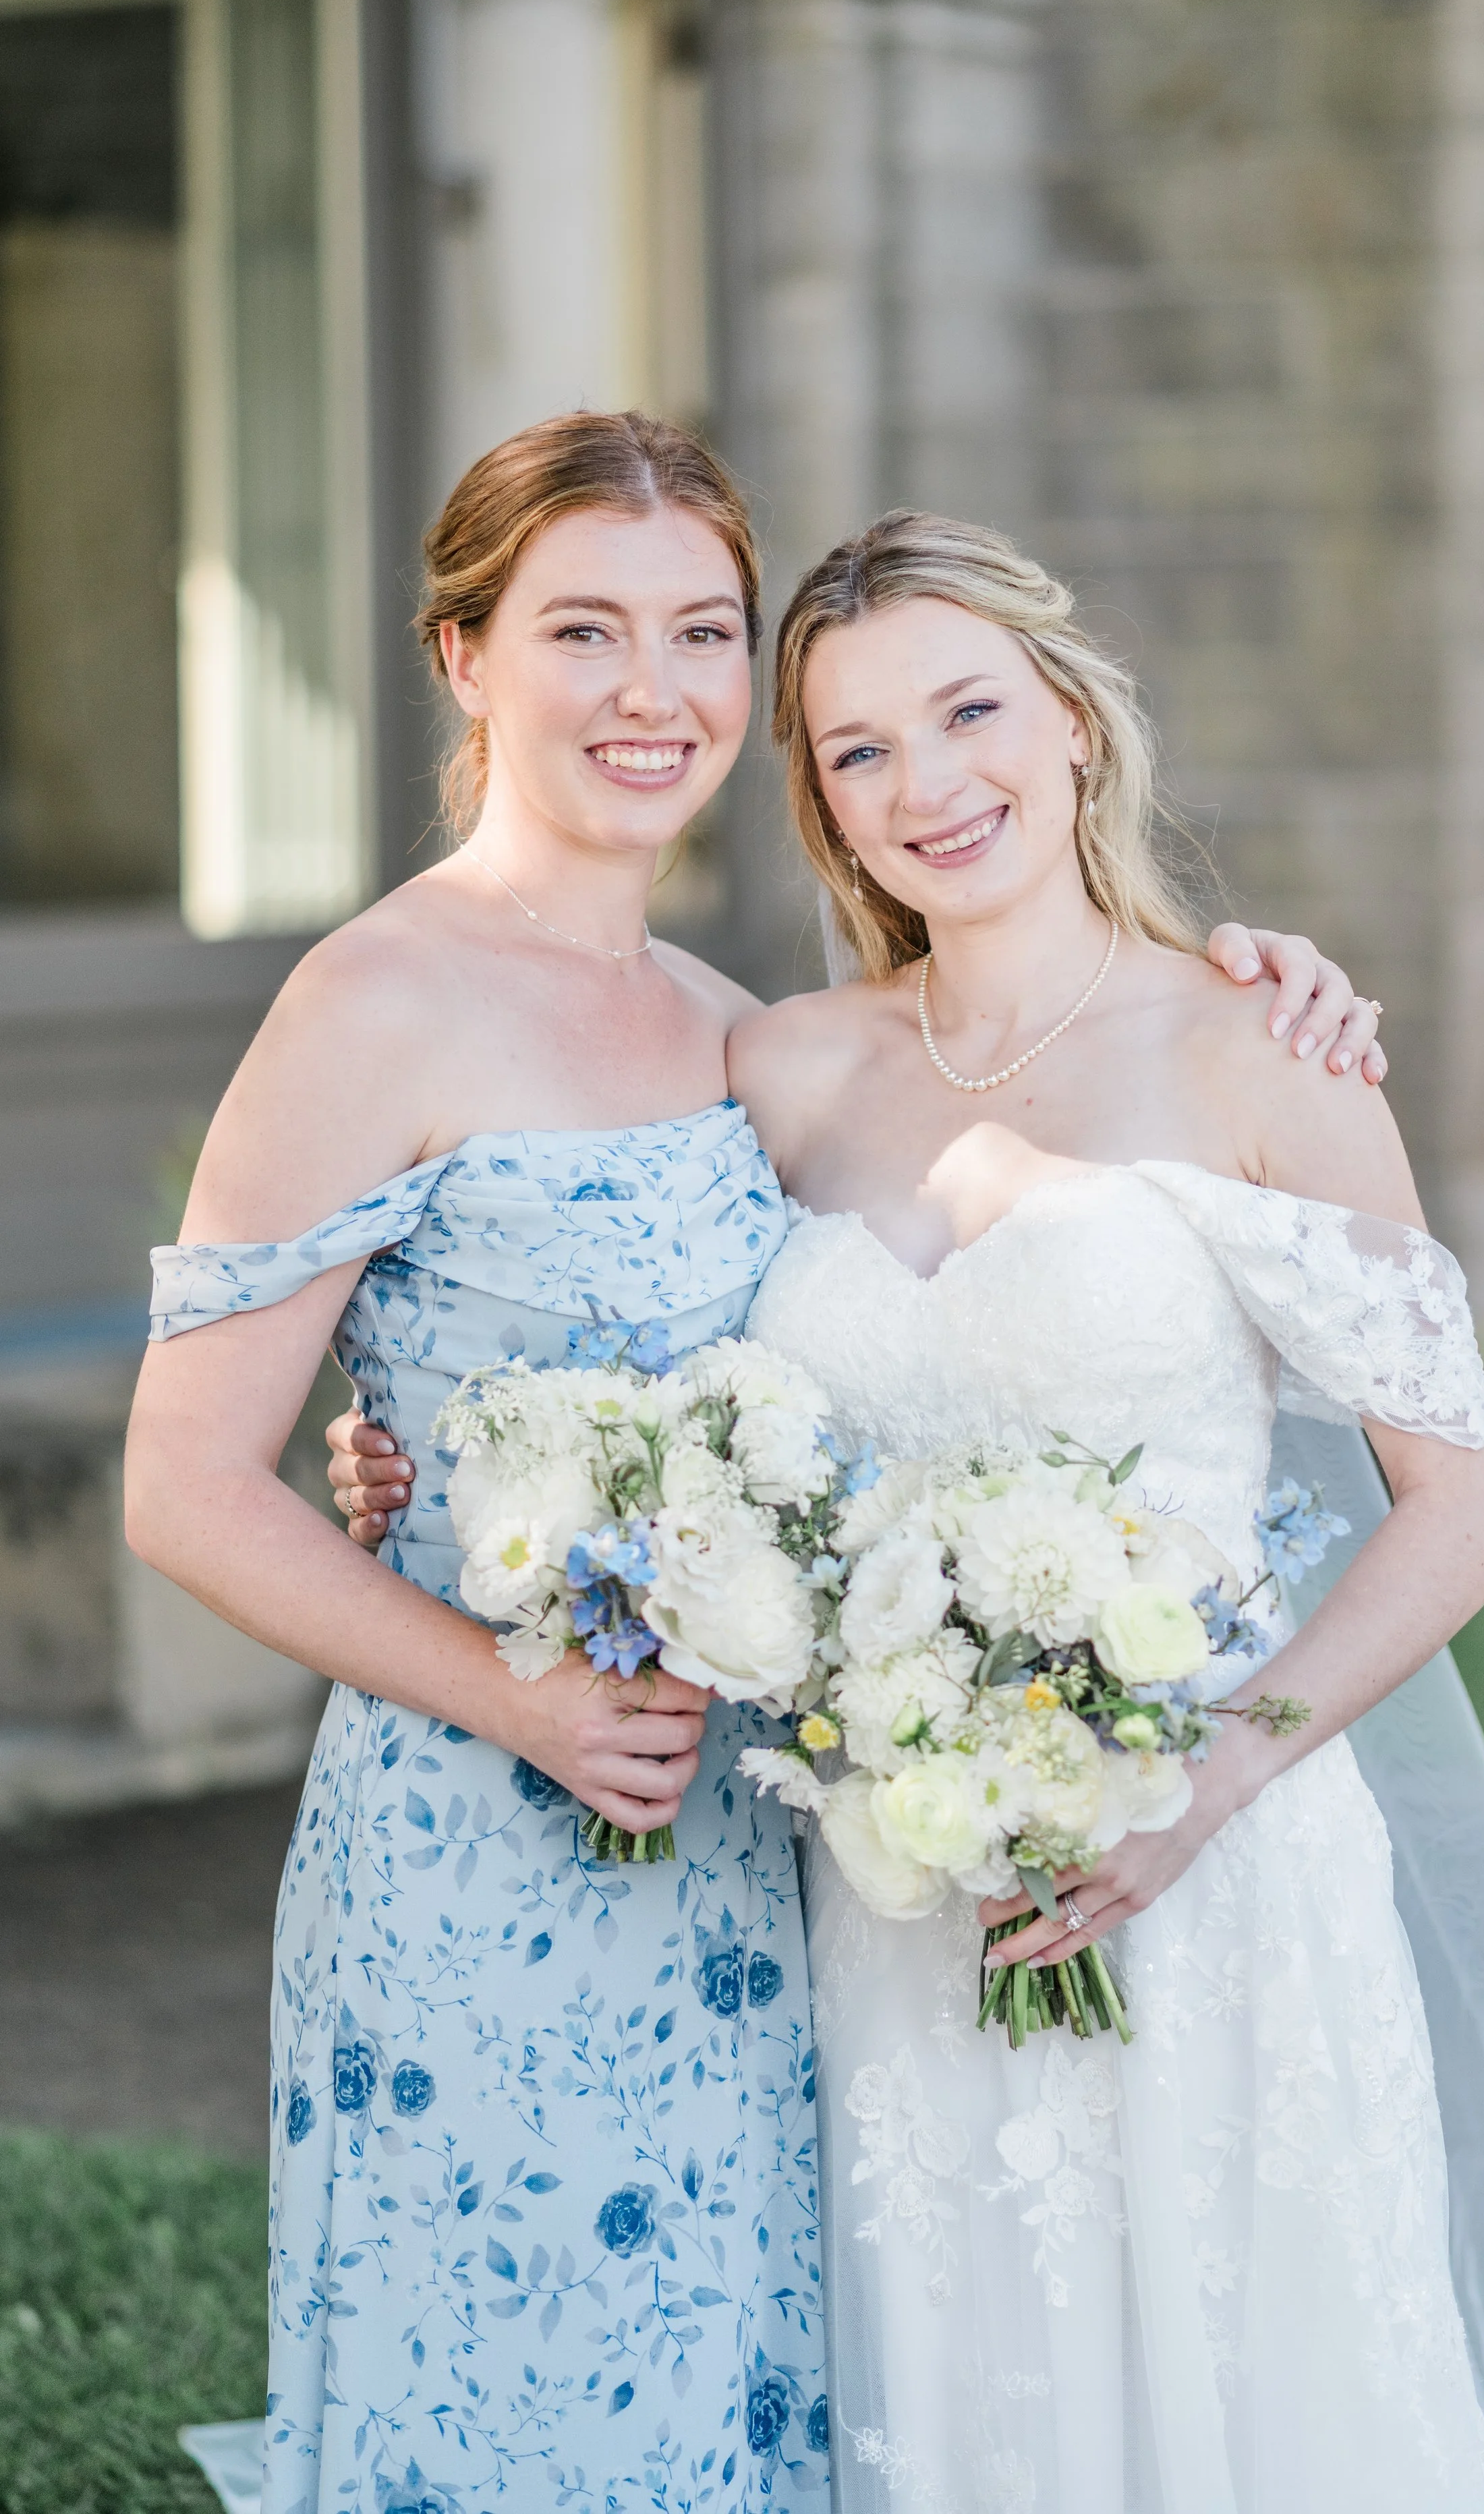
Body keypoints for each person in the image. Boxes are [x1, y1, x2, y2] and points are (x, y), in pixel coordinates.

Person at [128, 412, 1379, 2514]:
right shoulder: (368, 1000)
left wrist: (1264, 979)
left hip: (755, 1856)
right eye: (582, 630)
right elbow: (181, 1481)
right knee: (518, 2407)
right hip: (486, 1841)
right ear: (463, 658)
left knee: (741, 2413)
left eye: (701, 632)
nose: (652, 691)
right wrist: (495, 1664)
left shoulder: (737, 1026)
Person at [720, 508, 1484, 2510]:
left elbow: (1458, 1506)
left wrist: (1210, 1778)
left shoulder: (1266, 1041)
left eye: (967, 708)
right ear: (822, 805)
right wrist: (385, 1454)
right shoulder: (784, 1072)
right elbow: (629, 1370)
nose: (928, 782)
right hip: (898, 1888)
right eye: (858, 749)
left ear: (1072, 723)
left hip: (1211, 1874)